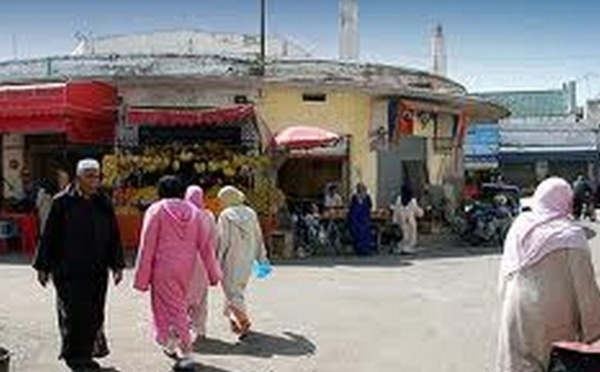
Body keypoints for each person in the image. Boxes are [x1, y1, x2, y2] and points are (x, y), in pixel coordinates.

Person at [496, 177, 600, 372]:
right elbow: (585, 288)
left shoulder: (519, 226)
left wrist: (505, 301)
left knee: (520, 364)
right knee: (556, 362)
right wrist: (594, 331)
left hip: (516, 307)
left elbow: (505, 274)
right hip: (555, 316)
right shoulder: (570, 234)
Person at [33, 159, 125, 372]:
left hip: (96, 270)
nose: (94, 181)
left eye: (97, 176)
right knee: (73, 313)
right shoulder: (61, 202)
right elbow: (48, 236)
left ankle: (85, 354)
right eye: (89, 176)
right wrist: (43, 267)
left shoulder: (103, 202)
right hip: (67, 270)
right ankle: (75, 357)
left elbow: (113, 235)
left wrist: (117, 265)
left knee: (93, 313)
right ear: (78, 178)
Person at [134, 177, 221, 370]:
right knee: (176, 306)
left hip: (162, 269)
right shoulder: (195, 213)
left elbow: (147, 245)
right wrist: (214, 274)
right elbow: (206, 247)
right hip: (186, 269)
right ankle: (172, 344)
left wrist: (141, 278)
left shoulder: (156, 210)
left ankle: (186, 352)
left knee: (171, 309)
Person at [216, 185, 269, 339]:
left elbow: (222, 241)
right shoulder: (251, 213)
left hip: (230, 259)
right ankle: (234, 321)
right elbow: (259, 237)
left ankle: (243, 320)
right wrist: (262, 258)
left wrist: (216, 263)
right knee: (236, 290)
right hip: (247, 259)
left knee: (232, 292)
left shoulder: (225, 215)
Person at [184, 185, 221, 341]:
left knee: (183, 297)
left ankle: (182, 326)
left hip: (185, 263)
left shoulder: (183, 214)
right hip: (203, 263)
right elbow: (215, 239)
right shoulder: (209, 216)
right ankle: (200, 329)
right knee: (201, 298)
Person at [392, 183, 424, 254]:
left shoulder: (399, 200)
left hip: (402, 221)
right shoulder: (412, 201)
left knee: (404, 236)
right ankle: (407, 248)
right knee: (410, 236)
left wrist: (394, 221)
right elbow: (417, 211)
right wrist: (422, 212)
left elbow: (396, 212)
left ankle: (401, 248)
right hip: (410, 222)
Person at [347, 183, 373, 256]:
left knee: (365, 234)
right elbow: (351, 207)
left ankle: (365, 249)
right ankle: (359, 249)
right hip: (357, 218)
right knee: (358, 234)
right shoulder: (355, 197)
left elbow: (370, 206)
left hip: (364, 218)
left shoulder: (367, 197)